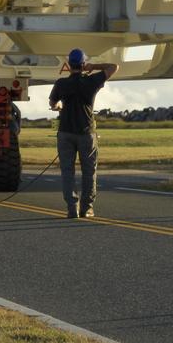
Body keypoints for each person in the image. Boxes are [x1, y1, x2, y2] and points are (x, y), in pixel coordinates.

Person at [49, 48, 119, 218]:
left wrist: (59, 107)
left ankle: (72, 208)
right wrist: (93, 66)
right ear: (83, 64)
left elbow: (53, 103)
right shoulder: (92, 81)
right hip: (87, 132)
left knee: (67, 171)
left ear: (68, 65)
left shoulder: (61, 83)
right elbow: (114, 66)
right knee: (89, 172)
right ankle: (86, 208)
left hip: (65, 132)